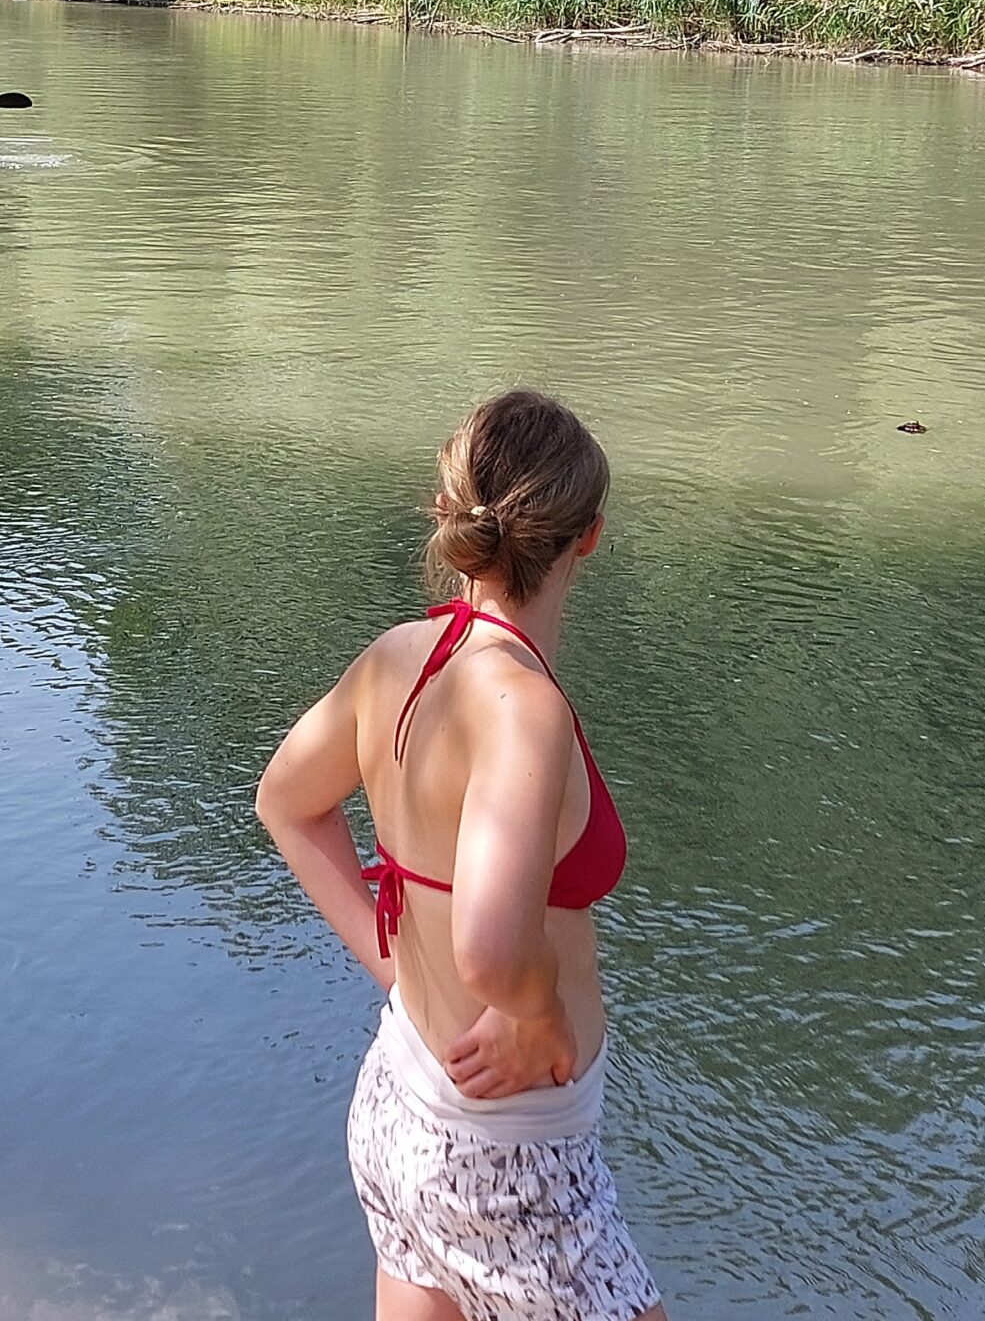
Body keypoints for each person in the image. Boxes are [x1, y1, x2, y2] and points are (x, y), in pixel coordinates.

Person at [257, 390, 664, 1321]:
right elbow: (488, 947)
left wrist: (397, 970)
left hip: (401, 1101)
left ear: (449, 513)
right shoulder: (523, 710)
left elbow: (286, 804)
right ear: (589, 538)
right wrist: (536, 1013)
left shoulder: (396, 659)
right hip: (507, 1157)